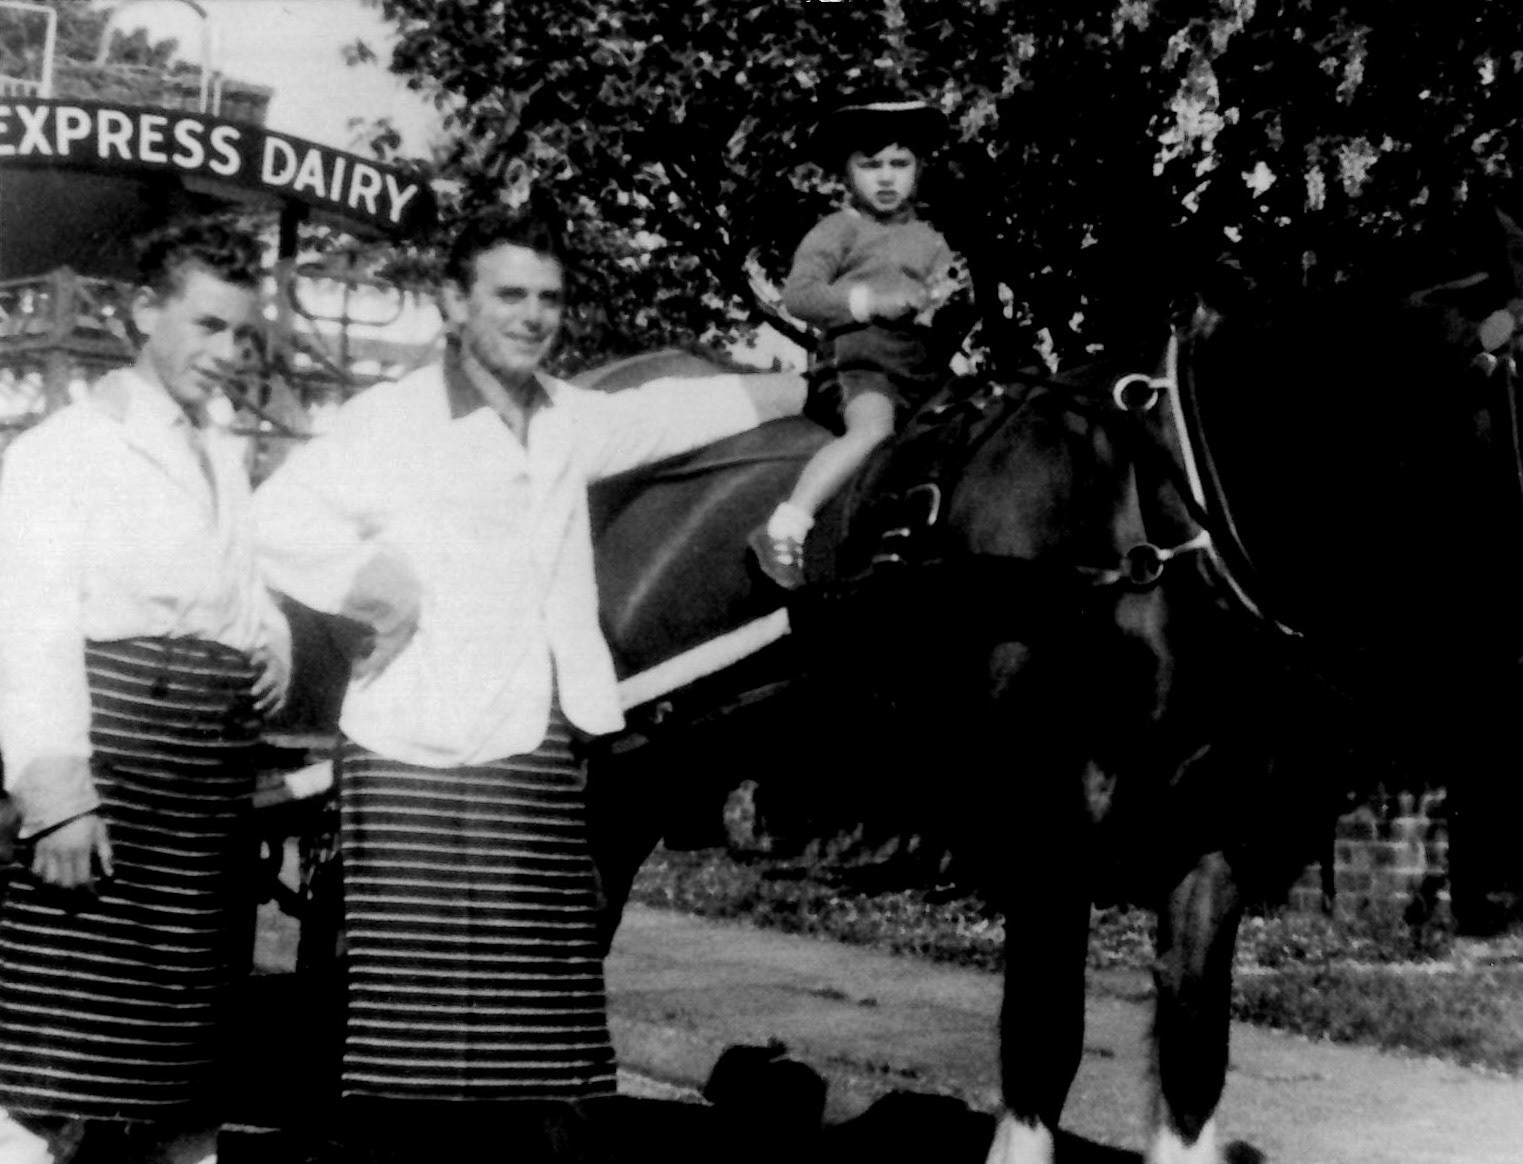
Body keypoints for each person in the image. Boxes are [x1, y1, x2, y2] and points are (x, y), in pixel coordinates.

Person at [251, 205, 805, 1156]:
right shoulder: (390, 421)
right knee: (414, 1031)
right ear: (453, 304)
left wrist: (813, 383)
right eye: (510, 295)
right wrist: (367, 585)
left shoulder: (563, 417)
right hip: (411, 750)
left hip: (531, 745)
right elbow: (273, 519)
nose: (533, 316)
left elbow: (670, 414)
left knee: (536, 1027)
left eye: (548, 298)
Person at [0, 217, 291, 1164]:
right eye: (208, 326)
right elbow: (30, 629)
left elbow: (232, 586)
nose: (228, 353)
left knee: (184, 1078)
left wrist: (269, 635)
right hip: (110, 777)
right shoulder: (66, 450)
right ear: (141, 312)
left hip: (204, 793)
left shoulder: (219, 449)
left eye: (242, 333)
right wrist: (57, 797)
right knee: (49, 1077)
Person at [748, 93, 972, 589]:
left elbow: (943, 305)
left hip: (920, 364)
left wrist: (943, 302)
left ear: (919, 168)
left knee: (966, 430)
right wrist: (871, 302)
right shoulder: (838, 231)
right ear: (846, 175)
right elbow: (800, 296)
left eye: (900, 163)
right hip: (860, 360)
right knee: (872, 431)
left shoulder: (930, 240)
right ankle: (786, 527)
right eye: (870, 166)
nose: (886, 178)